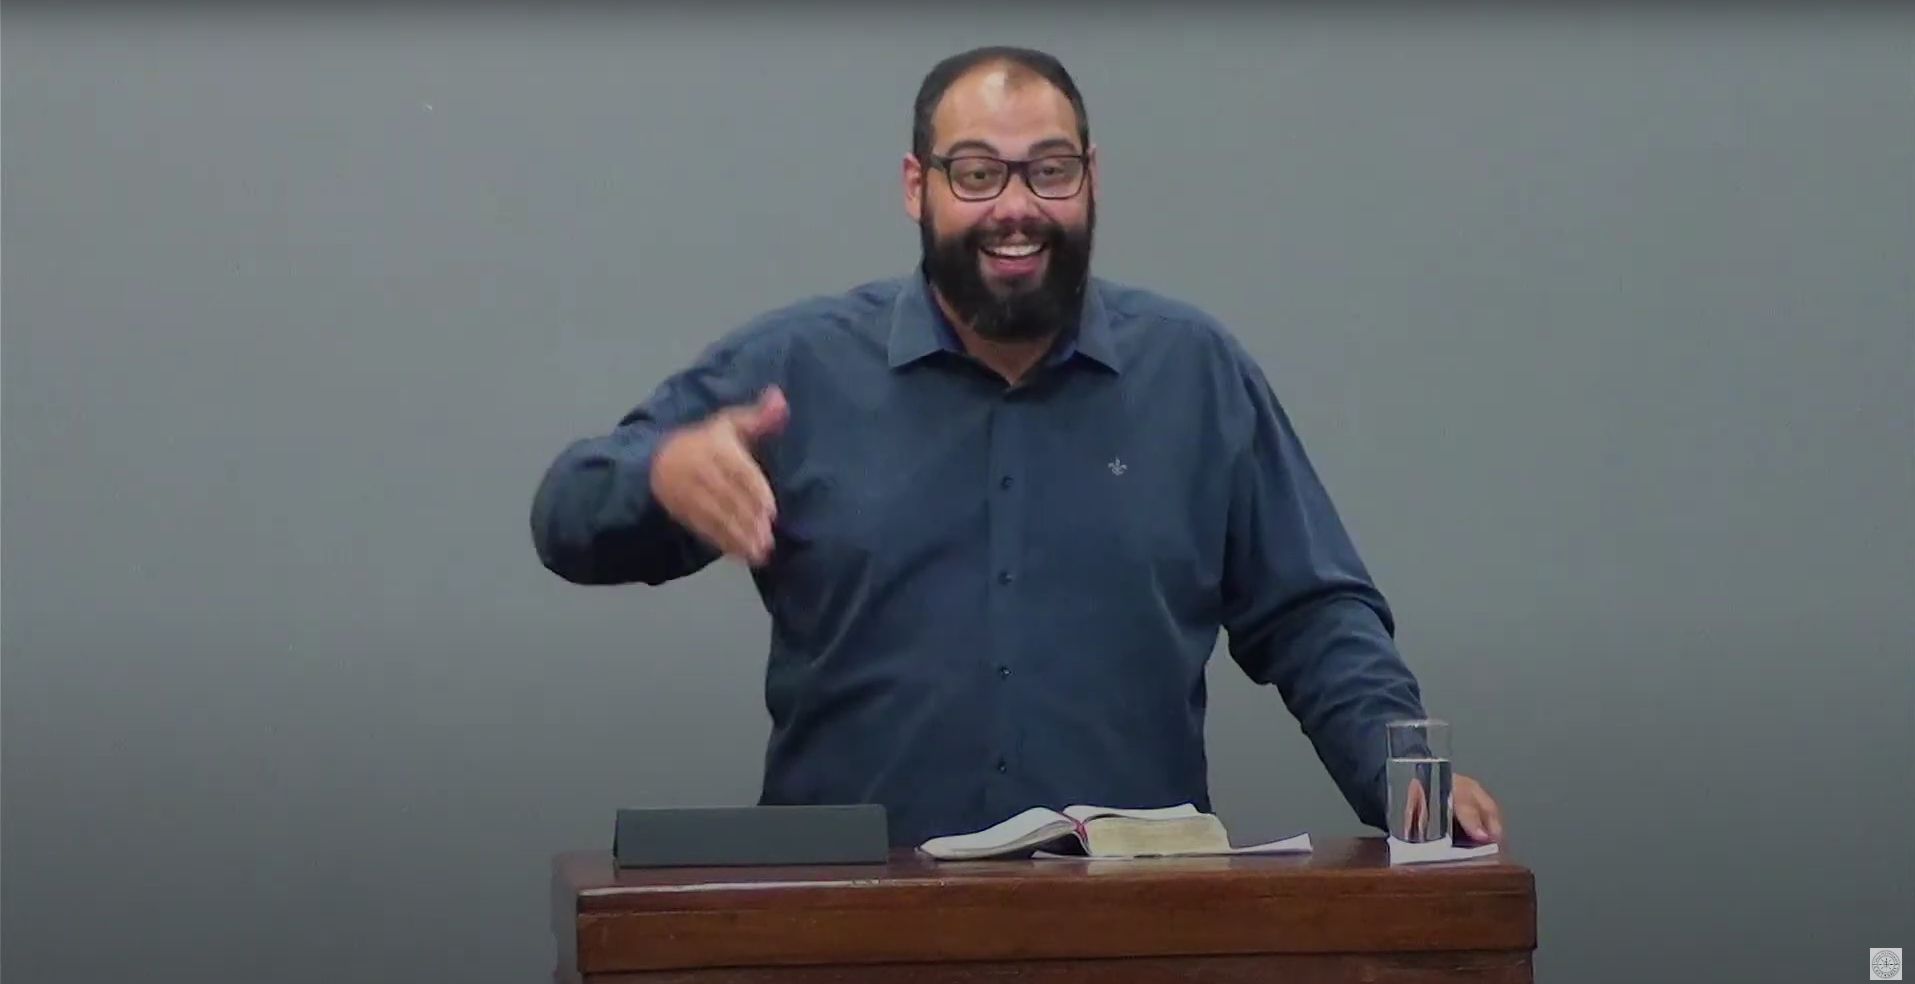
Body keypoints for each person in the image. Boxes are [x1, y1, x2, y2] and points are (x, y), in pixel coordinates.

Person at [529, 45, 1506, 849]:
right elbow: (566, 512)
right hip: (848, 922)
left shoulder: (1195, 373)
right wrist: (658, 476)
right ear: (916, 187)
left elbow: (1313, 616)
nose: (1015, 207)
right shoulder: (798, 371)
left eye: (1049, 170)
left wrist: (1404, 785)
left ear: (1091, 179)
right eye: (976, 173)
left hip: (1131, 924)